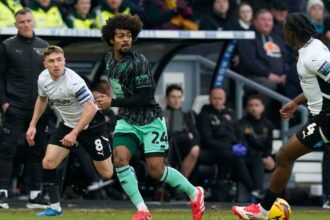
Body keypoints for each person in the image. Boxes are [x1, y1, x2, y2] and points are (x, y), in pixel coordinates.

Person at [97, 14, 204, 220]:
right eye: (121, 36)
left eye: (129, 35)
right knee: (119, 160)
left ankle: (194, 192)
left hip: (150, 120)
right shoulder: (108, 60)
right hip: (127, 120)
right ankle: (143, 210)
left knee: (156, 170)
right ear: (111, 39)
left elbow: (145, 97)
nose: (126, 39)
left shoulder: (139, 62)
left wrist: (112, 103)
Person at [232, 13, 330, 219]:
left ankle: (264, 210)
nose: (282, 33)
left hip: (325, 117)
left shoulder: (314, 56)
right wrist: (296, 102)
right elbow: (316, 86)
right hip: (321, 114)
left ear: (292, 33)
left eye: (285, 29)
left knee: (284, 156)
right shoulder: (313, 47)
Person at [26, 45, 114, 217]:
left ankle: (126, 169)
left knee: (106, 173)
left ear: (64, 61)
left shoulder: (74, 81)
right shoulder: (43, 78)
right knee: (48, 162)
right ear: (45, 64)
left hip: (92, 125)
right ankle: (55, 207)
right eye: (51, 61)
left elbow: (90, 109)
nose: (56, 64)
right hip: (67, 124)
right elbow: (42, 99)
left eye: (59, 60)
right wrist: (32, 125)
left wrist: (74, 134)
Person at [0, 8, 49, 209]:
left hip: (39, 109)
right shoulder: (7, 46)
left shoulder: (44, 46)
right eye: (22, 22)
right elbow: (0, 77)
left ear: (33, 21)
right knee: (6, 149)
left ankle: (35, 195)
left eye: (29, 21)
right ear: (16, 25)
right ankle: (2, 193)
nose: (26, 24)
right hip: (15, 106)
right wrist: (4, 103)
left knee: (38, 151)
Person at [238, 95, 275, 197]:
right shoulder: (242, 123)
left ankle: (278, 195)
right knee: (257, 158)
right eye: (251, 105)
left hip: (264, 155)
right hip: (248, 157)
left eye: (256, 105)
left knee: (285, 159)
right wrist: (263, 157)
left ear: (262, 107)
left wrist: (268, 156)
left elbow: (269, 144)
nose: (254, 108)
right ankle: (258, 190)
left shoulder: (268, 124)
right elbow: (244, 143)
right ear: (247, 108)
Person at [164, 84, 200, 179]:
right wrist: (187, 135)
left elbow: (196, 137)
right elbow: (169, 136)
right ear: (167, 98)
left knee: (195, 149)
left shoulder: (187, 116)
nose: (177, 101)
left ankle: (180, 184)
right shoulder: (161, 115)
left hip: (184, 149)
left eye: (179, 97)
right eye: (173, 97)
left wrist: (188, 137)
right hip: (167, 149)